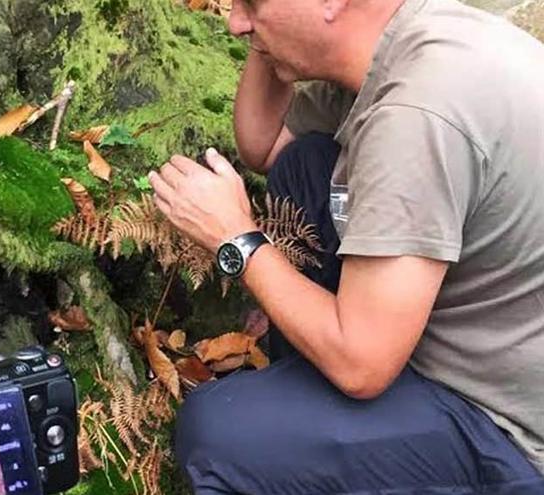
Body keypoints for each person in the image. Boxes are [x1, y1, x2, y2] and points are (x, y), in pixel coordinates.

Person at [147, 0, 544, 493]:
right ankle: (314, 406)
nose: (232, 22)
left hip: (510, 432)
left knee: (218, 437)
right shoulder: (402, 41)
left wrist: (237, 239)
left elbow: (363, 366)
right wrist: (267, 38)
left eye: (251, 4)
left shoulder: (416, 112)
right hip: (463, 341)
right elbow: (263, 145)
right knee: (305, 166)